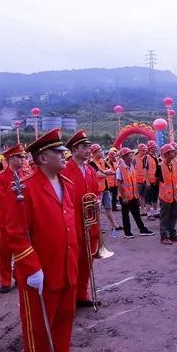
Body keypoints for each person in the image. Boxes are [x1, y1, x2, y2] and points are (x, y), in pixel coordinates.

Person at [0, 129, 83, 352]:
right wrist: (31, 266)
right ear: (43, 157)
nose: (64, 156)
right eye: (59, 152)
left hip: (66, 264)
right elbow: (15, 233)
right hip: (39, 270)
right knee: (38, 325)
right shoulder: (25, 188)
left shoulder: (66, 184)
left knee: (64, 319)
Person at [61, 130, 102, 309]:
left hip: (89, 222)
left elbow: (96, 191)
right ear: (74, 149)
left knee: (87, 260)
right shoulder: (65, 170)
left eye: (88, 147)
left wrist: (97, 201)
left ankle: (82, 295)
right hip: (72, 223)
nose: (88, 150)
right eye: (84, 147)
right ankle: (70, 298)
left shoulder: (91, 170)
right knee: (72, 263)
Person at [0, 144, 27, 293]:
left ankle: (19, 276)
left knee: (22, 252)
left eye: (23, 157)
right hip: (6, 221)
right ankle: (5, 281)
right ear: (11, 159)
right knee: (5, 253)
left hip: (22, 221)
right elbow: (2, 199)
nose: (23, 159)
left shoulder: (25, 174)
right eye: (20, 157)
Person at [115, 147, 155, 239]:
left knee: (136, 213)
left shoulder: (131, 166)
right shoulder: (119, 169)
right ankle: (127, 232)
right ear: (124, 157)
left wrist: (136, 195)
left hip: (133, 195)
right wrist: (124, 197)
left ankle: (142, 229)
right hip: (125, 197)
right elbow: (119, 184)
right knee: (125, 215)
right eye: (130, 155)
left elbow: (133, 182)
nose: (132, 156)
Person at [88, 145, 121, 232]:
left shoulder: (102, 161)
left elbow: (110, 170)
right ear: (95, 153)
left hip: (105, 188)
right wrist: (106, 172)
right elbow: (98, 175)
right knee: (97, 209)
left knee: (108, 207)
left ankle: (114, 225)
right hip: (97, 190)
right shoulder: (92, 163)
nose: (102, 152)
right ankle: (97, 227)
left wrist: (104, 172)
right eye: (100, 151)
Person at [156, 144, 177, 244]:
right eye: (172, 152)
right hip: (165, 196)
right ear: (166, 154)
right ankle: (164, 237)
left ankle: (172, 234)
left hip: (174, 195)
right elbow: (156, 180)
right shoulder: (160, 166)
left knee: (173, 215)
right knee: (165, 217)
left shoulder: (174, 164)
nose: (174, 153)